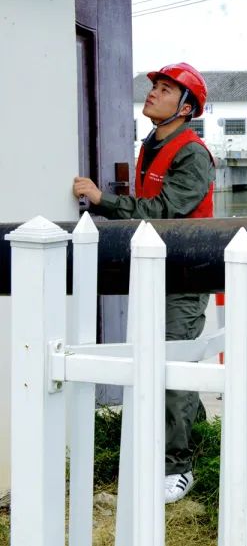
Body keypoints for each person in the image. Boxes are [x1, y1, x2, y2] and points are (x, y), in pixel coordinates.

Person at [73, 62, 214, 504]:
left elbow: (166, 209)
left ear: (185, 107)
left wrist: (103, 200)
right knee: (161, 358)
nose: (152, 92)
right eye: (154, 85)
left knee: (175, 363)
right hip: (159, 267)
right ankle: (198, 438)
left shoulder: (192, 153)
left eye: (165, 88)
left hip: (188, 272)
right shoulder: (153, 143)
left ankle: (179, 467)